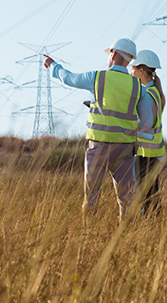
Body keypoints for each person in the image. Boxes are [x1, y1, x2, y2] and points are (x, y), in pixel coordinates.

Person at [43, 38, 153, 220]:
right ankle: (128, 238)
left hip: (98, 147)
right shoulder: (138, 87)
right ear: (129, 59)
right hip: (125, 149)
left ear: (114, 53)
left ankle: (88, 238)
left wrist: (53, 65)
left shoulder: (97, 78)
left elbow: (68, 78)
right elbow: (147, 122)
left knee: (91, 197)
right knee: (127, 199)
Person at [129, 50, 165, 215]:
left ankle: (152, 230)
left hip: (146, 154)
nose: (131, 72)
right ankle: (154, 228)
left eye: (133, 69)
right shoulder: (154, 92)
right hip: (152, 153)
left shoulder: (148, 95)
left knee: (147, 200)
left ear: (141, 71)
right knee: (151, 197)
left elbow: (145, 124)